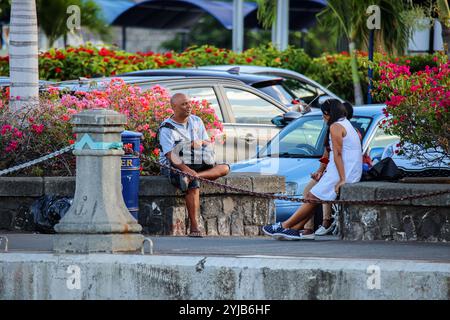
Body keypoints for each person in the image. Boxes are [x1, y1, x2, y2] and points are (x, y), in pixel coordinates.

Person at [262, 99, 362, 240]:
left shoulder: (335, 127)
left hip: (344, 172)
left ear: (329, 113)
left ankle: (284, 226)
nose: (323, 118)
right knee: (311, 196)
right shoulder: (345, 124)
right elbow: (330, 153)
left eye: (324, 114)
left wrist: (342, 179)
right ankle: (295, 229)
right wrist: (322, 171)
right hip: (345, 170)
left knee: (311, 196)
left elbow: (338, 154)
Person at [158, 93, 230, 238]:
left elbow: (206, 142)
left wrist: (193, 169)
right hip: (174, 165)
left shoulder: (196, 121)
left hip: (197, 161)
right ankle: (194, 226)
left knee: (225, 168)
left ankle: (193, 176)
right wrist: (187, 168)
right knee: (194, 183)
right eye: (184, 104)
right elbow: (170, 155)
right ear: (173, 107)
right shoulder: (166, 128)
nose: (188, 106)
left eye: (189, 103)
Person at [296, 101, 355, 239]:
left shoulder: (344, 129)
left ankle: (326, 222)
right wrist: (320, 171)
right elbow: (326, 154)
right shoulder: (332, 129)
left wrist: (340, 177)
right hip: (331, 170)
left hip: (342, 172)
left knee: (322, 191)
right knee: (308, 191)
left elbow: (341, 154)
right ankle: (308, 229)